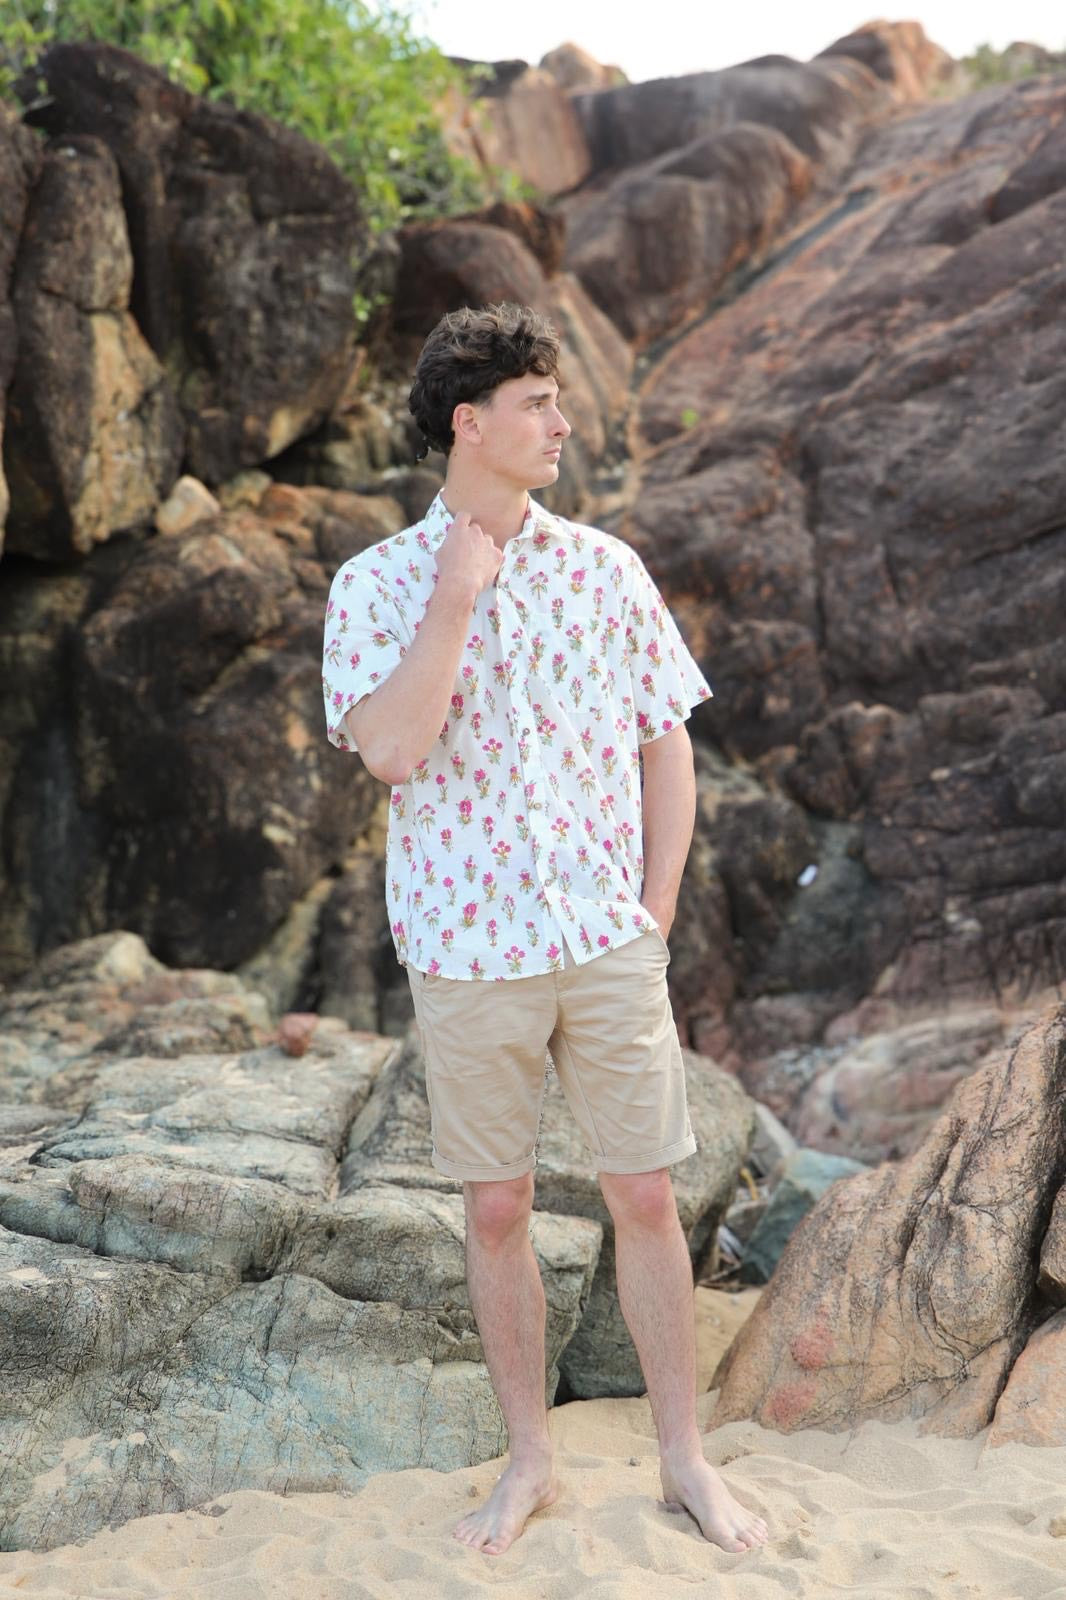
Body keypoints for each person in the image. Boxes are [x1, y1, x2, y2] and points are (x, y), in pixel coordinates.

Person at [321, 302, 769, 1559]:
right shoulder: (375, 587)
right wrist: (454, 604)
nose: (563, 423)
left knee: (644, 1193)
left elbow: (665, 740)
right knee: (500, 1210)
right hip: (468, 954)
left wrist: (657, 910)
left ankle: (684, 1458)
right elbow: (396, 751)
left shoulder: (605, 568)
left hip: (604, 937)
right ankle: (532, 1462)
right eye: (537, 405)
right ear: (471, 424)